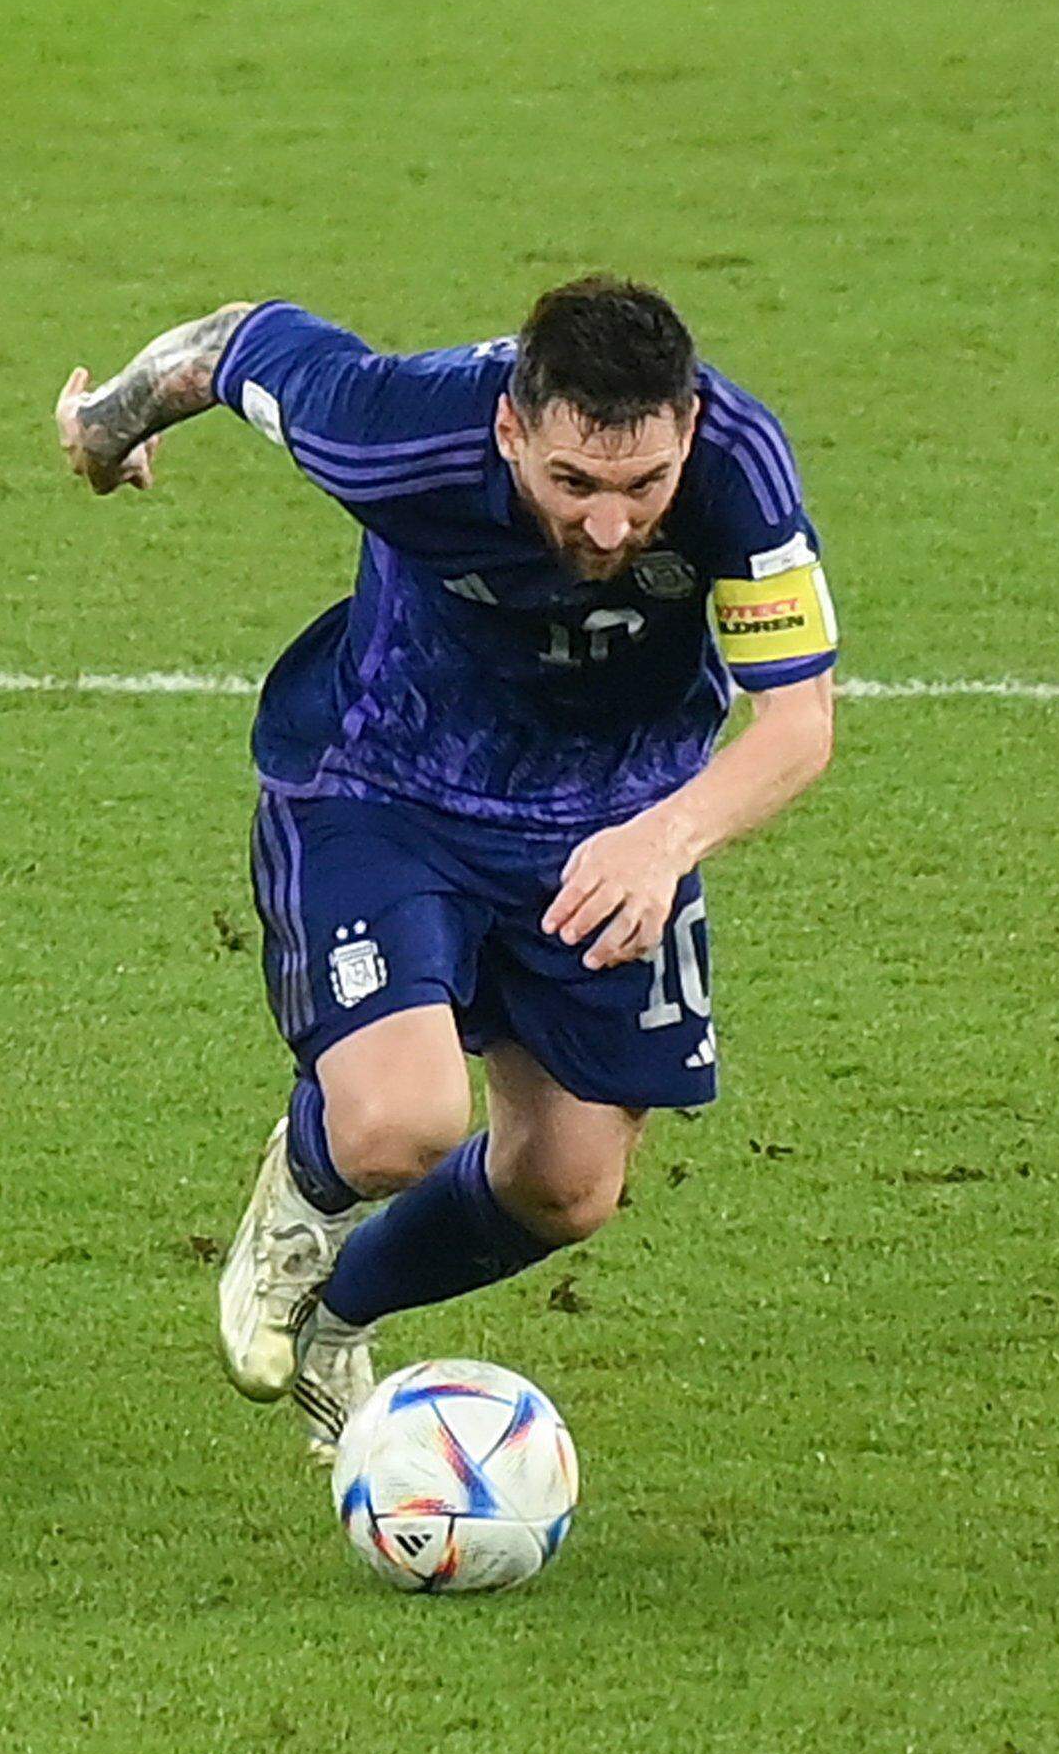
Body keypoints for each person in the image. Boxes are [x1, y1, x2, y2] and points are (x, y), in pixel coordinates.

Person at [54, 278, 839, 1448]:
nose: (613, 526)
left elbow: (798, 723)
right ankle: (301, 1203)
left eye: (645, 484)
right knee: (398, 1122)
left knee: (567, 1184)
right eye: (574, 483)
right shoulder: (395, 429)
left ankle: (339, 1320)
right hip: (387, 786)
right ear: (513, 430)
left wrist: (664, 834)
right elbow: (233, 343)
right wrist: (109, 425)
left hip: (607, 827)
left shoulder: (740, 468)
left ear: (684, 427)